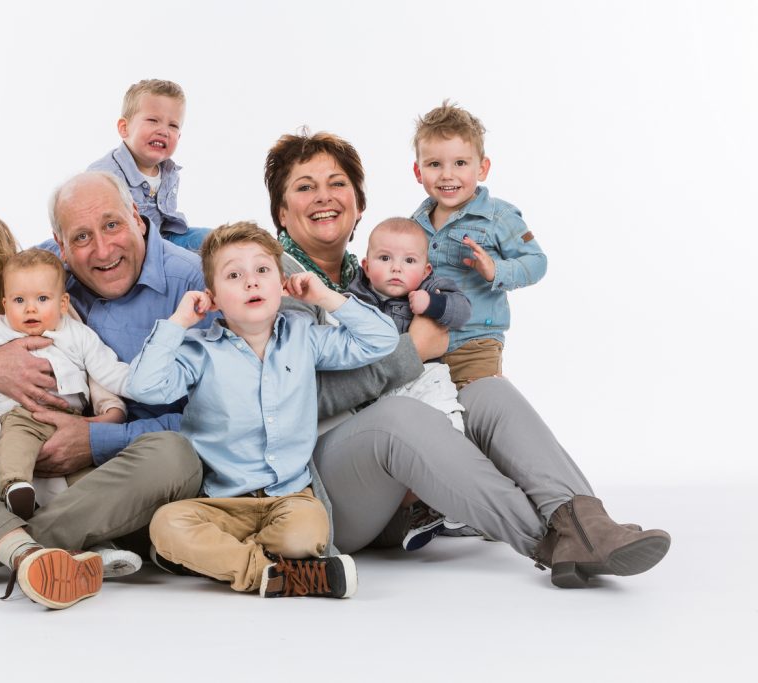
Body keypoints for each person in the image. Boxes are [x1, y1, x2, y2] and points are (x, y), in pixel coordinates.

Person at [264, 129, 671, 588]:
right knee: (399, 414)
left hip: (398, 505)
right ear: (282, 211)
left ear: (359, 204)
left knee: (485, 392)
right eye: (304, 186)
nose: (324, 197)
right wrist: (410, 350)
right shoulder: (274, 282)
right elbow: (286, 400)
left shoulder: (381, 271)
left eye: (337, 184)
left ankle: (587, 523)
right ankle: (551, 540)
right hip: (328, 492)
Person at [0, 173, 205, 609]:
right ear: (59, 246)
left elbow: (219, 420)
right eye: (81, 237)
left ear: (137, 218)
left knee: (175, 455)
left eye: (112, 225)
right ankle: (29, 552)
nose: (101, 250)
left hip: (110, 473)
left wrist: (97, 436)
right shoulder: (33, 271)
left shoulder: (194, 284)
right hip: (13, 447)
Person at [129, 222, 398, 598]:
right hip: (220, 503)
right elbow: (141, 386)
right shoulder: (199, 350)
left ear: (281, 284)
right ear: (213, 297)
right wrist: (179, 321)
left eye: (262, 271)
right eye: (234, 275)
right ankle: (277, 574)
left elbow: (383, 341)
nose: (251, 282)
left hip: (289, 499)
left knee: (307, 531)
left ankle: (226, 562)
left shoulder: (304, 338)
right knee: (166, 523)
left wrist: (325, 297)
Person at [0, 249, 130, 521]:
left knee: (84, 475)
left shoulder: (78, 334)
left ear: (63, 303)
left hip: (72, 420)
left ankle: (97, 529)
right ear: (5, 303)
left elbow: (106, 370)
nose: (30, 308)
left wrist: (136, 384)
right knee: (14, 444)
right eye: (19, 300)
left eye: (42, 299)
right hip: (22, 415)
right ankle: (16, 488)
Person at [347, 216, 473, 550]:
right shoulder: (355, 297)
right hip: (382, 387)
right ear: (366, 265)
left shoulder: (431, 288)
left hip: (424, 376)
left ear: (426, 270)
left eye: (409, 261)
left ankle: (457, 491)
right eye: (384, 259)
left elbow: (462, 311)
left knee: (447, 423)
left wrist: (433, 304)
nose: (396, 269)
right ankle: (426, 509)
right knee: (402, 449)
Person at [410, 100, 547, 388]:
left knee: (477, 409)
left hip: (476, 343)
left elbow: (536, 262)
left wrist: (495, 270)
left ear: (482, 168)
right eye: (435, 164)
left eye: (460, 163)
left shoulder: (498, 216)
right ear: (418, 171)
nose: (447, 174)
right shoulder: (415, 222)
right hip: (427, 341)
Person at [87, 78, 209, 251]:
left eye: (173, 125)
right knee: (186, 264)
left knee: (215, 240)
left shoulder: (169, 172)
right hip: (128, 246)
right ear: (124, 128)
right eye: (153, 120)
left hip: (162, 237)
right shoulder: (104, 175)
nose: (164, 131)